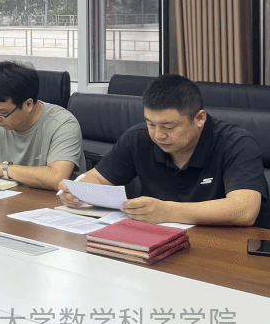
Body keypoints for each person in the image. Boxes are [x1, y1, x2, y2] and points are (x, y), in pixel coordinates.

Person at [59, 75, 267, 226]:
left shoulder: (236, 144)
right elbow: (98, 177)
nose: (158, 135)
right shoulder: (138, 138)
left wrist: (167, 211)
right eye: (151, 123)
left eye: (169, 127)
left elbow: (245, 209)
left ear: (199, 118)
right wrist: (78, 192)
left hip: (221, 246)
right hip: (154, 240)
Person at [0, 61, 84, 190]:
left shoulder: (63, 124)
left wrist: (4, 169)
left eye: (2, 113)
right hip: (6, 200)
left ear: (28, 104)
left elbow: (57, 178)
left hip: (52, 203)